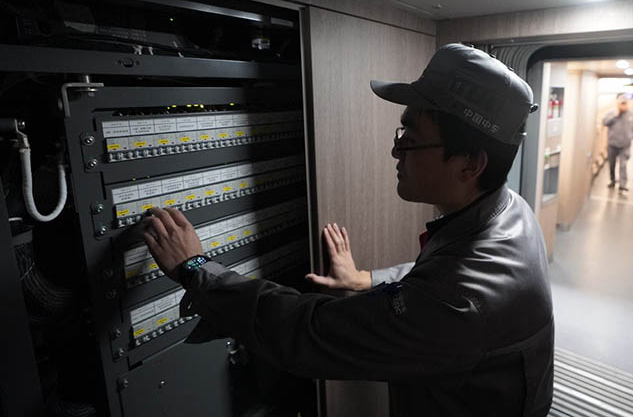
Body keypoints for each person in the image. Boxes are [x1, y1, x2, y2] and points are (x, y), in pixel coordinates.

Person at [134, 43, 554, 416]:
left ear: (469, 164)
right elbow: (439, 278)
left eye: (411, 136)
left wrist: (197, 269)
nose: (396, 148)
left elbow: (310, 332)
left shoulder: (459, 298)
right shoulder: (508, 210)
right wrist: (367, 280)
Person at [603, 93, 633, 192]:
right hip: (612, 144)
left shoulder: (632, 114)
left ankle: (622, 184)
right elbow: (605, 122)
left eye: (625, 103)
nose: (623, 105)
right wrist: (615, 115)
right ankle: (612, 181)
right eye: (621, 103)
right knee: (612, 164)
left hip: (625, 145)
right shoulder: (612, 113)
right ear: (618, 104)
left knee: (623, 165)